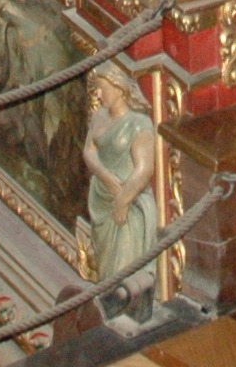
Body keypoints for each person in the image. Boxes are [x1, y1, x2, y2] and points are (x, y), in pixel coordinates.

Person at [77, 61, 160, 320]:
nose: (99, 94)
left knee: (123, 266)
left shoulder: (138, 124)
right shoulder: (100, 116)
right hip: (101, 200)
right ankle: (107, 308)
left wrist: (123, 200)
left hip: (127, 208)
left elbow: (144, 169)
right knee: (106, 267)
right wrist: (104, 175)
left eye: (103, 88)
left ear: (120, 88)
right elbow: (89, 151)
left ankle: (124, 313)